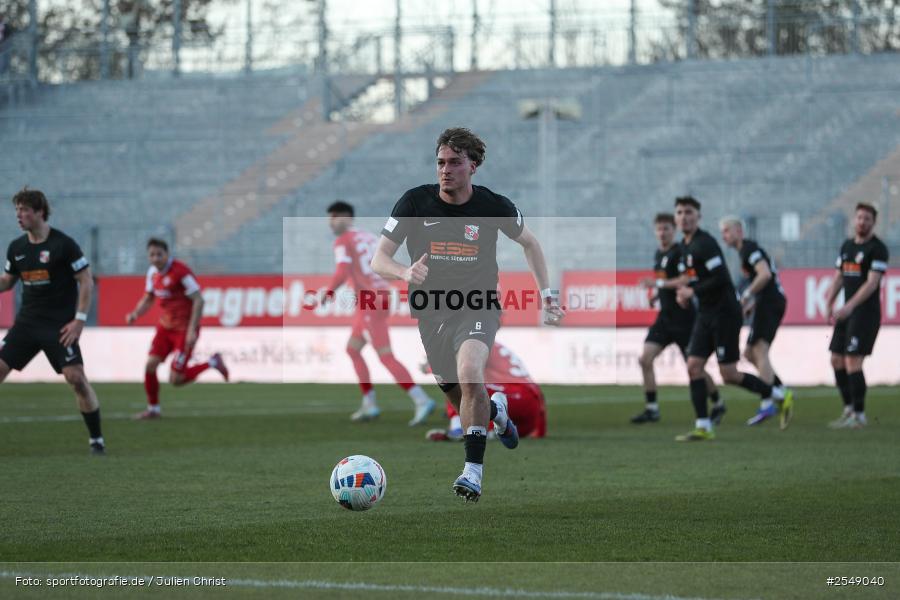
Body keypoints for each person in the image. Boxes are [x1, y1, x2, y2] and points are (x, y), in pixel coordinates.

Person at [371, 127, 564, 502]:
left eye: (455, 163)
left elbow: (531, 243)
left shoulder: (494, 206)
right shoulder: (413, 203)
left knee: (470, 372)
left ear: (472, 166)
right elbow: (379, 259)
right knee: (458, 392)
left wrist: (547, 294)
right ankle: (498, 410)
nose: (445, 170)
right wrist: (405, 273)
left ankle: (472, 472)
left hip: (479, 304)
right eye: (441, 163)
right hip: (430, 312)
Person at [671, 196, 787, 442]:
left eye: (689, 212)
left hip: (725, 314)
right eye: (680, 212)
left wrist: (693, 291)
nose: (684, 217)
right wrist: (682, 293)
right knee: (694, 366)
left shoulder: (706, 243)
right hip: (705, 314)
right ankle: (703, 426)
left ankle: (776, 393)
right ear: (675, 217)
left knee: (729, 374)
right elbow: (693, 278)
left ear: (698, 217)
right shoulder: (683, 247)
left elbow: (720, 279)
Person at [0, 188, 106, 454]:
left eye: (24, 210)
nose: (19, 215)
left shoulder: (64, 245)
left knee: (77, 378)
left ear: (39, 212)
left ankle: (96, 440)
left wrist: (79, 320)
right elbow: (7, 282)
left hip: (59, 326)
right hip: (26, 324)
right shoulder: (17, 248)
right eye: (17, 210)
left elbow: (85, 280)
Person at [324, 200, 435, 425]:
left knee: (385, 355)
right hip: (382, 295)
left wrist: (326, 294)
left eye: (334, 216)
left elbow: (342, 271)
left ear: (346, 217)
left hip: (370, 300)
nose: (331, 222)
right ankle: (370, 403)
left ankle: (420, 399)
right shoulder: (367, 237)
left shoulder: (343, 241)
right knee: (353, 349)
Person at [634, 212, 722, 425]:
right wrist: (657, 294)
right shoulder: (658, 254)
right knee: (645, 359)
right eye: (659, 229)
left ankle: (718, 402)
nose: (662, 233)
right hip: (665, 318)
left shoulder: (680, 252)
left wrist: (658, 285)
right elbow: (666, 281)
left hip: (685, 320)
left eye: (666, 228)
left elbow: (685, 278)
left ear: (673, 231)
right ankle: (652, 408)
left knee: (694, 367)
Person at [125, 238, 229, 419]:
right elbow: (149, 297)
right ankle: (153, 409)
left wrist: (191, 330)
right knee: (150, 365)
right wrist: (135, 313)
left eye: (159, 254)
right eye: (152, 255)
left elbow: (199, 299)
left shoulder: (181, 272)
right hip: (165, 328)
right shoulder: (152, 273)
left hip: (184, 330)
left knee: (176, 379)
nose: (156, 258)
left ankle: (212, 362)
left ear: (167, 254)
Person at [719, 216, 793, 428]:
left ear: (739, 231)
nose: (724, 235)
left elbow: (765, 275)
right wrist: (753, 302)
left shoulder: (750, 249)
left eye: (727, 231)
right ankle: (781, 391)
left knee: (759, 350)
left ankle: (768, 401)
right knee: (750, 353)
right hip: (766, 302)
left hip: (770, 302)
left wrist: (748, 294)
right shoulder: (745, 252)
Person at [824, 203, 888, 429]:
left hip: (865, 314)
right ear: (854, 220)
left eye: (867, 219)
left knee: (852, 360)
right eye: (859, 217)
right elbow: (839, 276)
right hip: (846, 312)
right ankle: (849, 409)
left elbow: (872, 284)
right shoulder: (847, 246)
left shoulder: (877, 249)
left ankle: (860, 415)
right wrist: (829, 301)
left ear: (873, 222)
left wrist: (849, 306)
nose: (862, 222)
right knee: (836, 359)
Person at [425, 340, 547, 441]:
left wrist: (429, 366)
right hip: (531, 410)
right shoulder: (492, 343)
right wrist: (540, 430)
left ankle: (458, 429)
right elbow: (536, 394)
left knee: (457, 383)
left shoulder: (474, 342)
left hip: (512, 398)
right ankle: (490, 431)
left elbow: (450, 368)